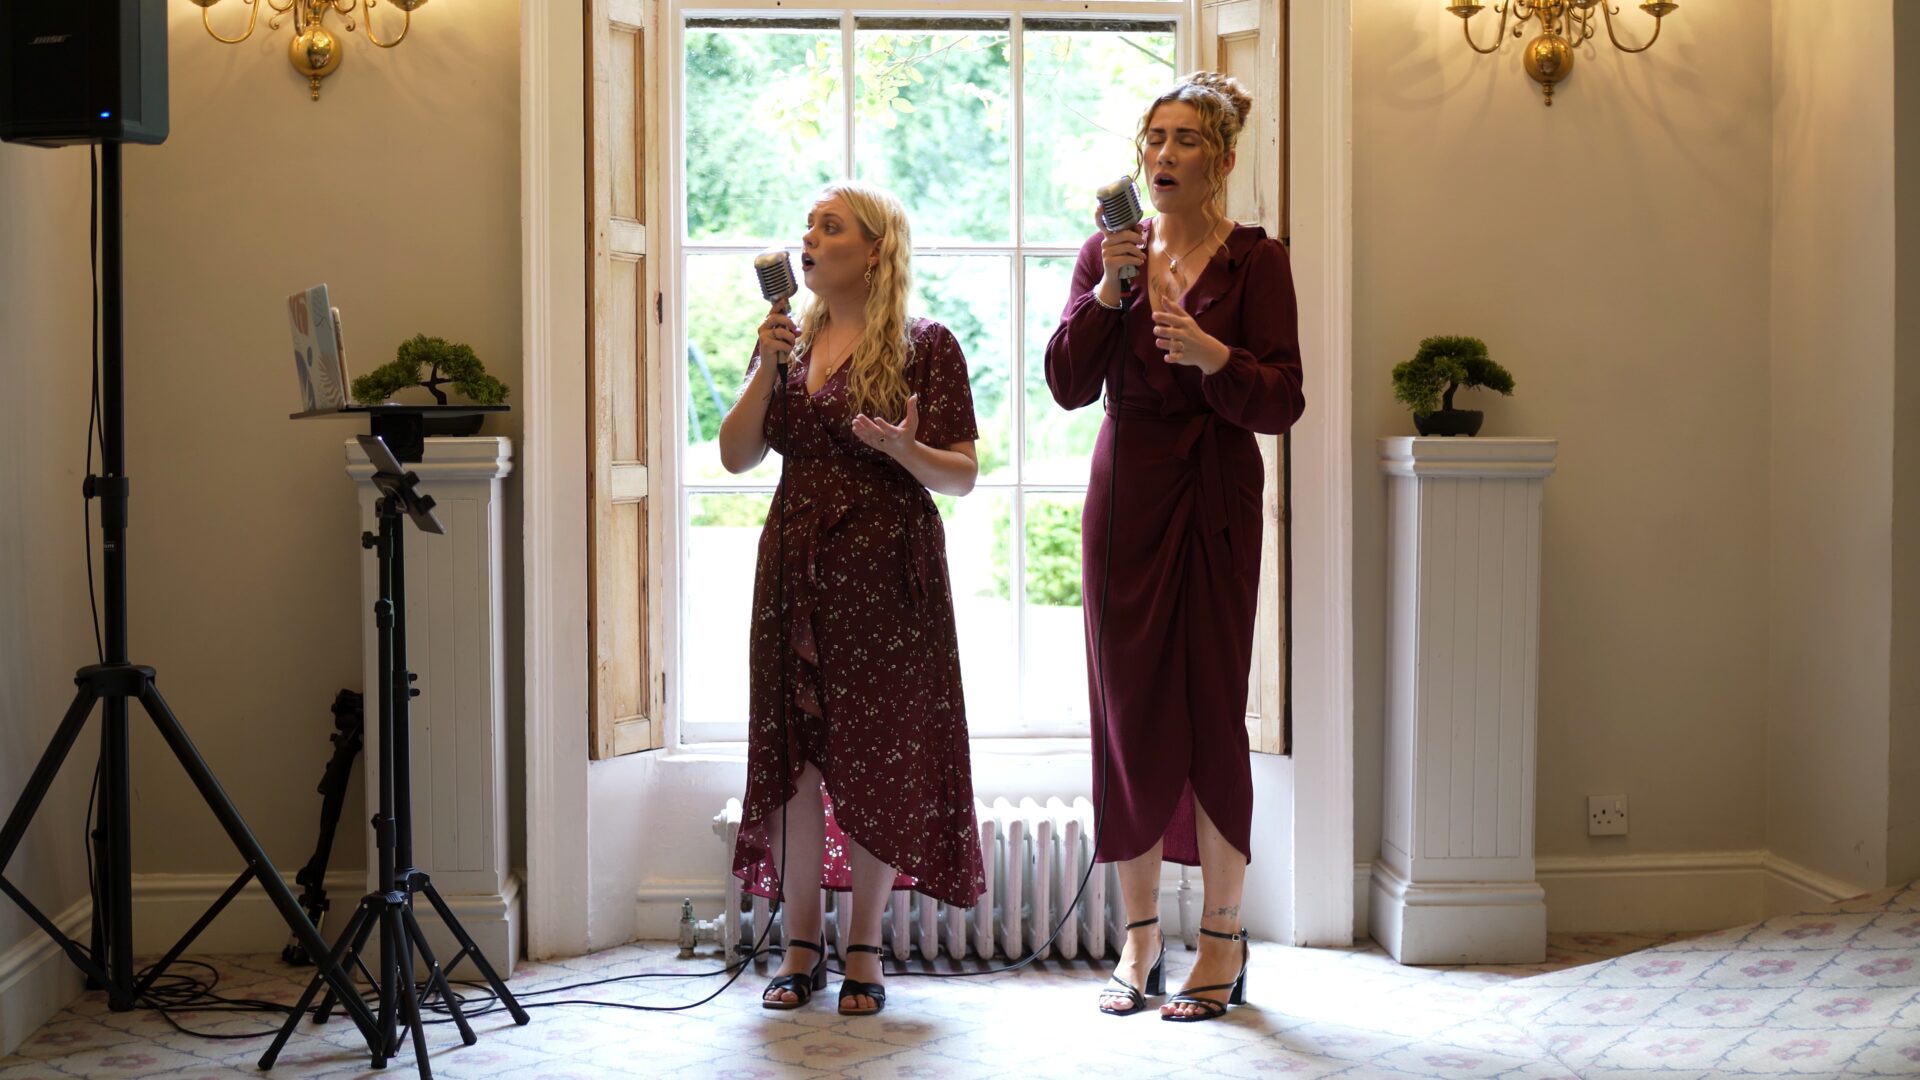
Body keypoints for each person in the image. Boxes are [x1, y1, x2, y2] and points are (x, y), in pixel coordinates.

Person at [1043, 72, 1306, 1022]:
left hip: (1218, 492)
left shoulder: (1256, 262)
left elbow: (1285, 397)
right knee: (1126, 714)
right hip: (1127, 493)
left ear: (1224, 159)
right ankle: (1141, 938)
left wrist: (1216, 357)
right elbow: (1068, 385)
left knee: (1208, 710)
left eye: (1186, 138)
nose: (1162, 153)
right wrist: (1110, 293)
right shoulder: (1104, 255)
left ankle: (1225, 940)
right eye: (1153, 137)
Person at [721, 180, 986, 1017]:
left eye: (829, 228)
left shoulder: (926, 344)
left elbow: (964, 475)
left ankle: (863, 945)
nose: (808, 239)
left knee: (878, 751)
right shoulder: (787, 345)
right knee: (795, 753)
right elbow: (735, 456)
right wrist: (766, 363)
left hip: (887, 574)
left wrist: (908, 450)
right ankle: (801, 944)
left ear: (874, 249)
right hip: (793, 567)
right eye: (806, 227)